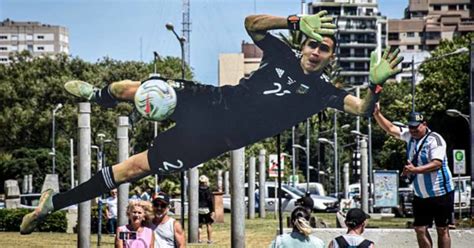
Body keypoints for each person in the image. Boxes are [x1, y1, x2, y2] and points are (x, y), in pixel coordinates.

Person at [20, 10, 403, 234]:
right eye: (312, 44)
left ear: (330, 58)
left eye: (324, 49)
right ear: (303, 44)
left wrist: (374, 86)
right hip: (210, 100)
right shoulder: (284, 53)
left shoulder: (322, 91)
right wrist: (292, 19)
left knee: (129, 170)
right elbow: (252, 25)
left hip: (213, 139)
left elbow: (362, 110)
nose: (316, 52)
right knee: (131, 88)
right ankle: (97, 95)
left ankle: (52, 204)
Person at [373, 103, 454, 248]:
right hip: (420, 194)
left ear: (424, 124)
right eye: (410, 127)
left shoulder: (435, 140)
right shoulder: (409, 136)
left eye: (416, 127)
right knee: (420, 229)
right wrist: (377, 114)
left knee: (442, 229)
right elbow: (390, 128)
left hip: (440, 192)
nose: (413, 130)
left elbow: (437, 164)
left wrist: (414, 170)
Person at [198, 175, 214, 244]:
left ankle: (198, 239)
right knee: (208, 224)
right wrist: (212, 210)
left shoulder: (197, 190)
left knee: (199, 225)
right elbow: (210, 201)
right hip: (206, 209)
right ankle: (209, 240)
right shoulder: (208, 190)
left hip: (198, 209)